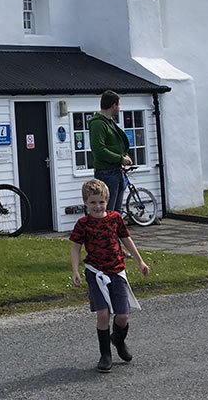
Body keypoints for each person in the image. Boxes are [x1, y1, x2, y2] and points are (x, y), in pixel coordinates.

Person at [70, 178, 150, 373]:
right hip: (96, 273)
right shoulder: (83, 224)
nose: (97, 206)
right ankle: (105, 354)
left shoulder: (115, 219)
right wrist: (75, 270)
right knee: (103, 314)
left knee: (122, 315)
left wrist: (140, 261)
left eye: (101, 202)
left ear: (107, 201)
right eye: (93, 202)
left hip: (117, 271)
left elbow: (126, 239)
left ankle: (118, 339)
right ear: (86, 203)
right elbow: (76, 247)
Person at [89, 90, 132, 213]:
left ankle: (116, 232)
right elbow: (99, 149)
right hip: (106, 172)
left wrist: (124, 155)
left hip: (116, 171)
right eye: (119, 105)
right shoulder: (98, 123)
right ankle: (107, 232)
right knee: (107, 211)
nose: (119, 108)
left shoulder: (110, 122)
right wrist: (120, 158)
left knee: (117, 212)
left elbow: (115, 143)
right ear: (114, 105)